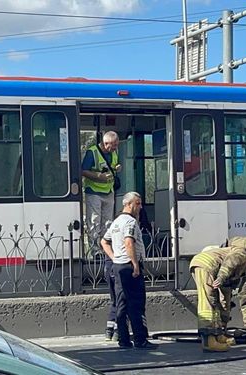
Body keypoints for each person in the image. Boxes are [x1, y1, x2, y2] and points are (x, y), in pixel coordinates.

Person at [100, 192, 157, 350]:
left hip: (118, 266)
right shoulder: (131, 222)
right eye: (137, 203)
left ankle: (123, 340)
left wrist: (114, 256)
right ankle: (140, 339)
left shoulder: (116, 222)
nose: (140, 207)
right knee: (136, 303)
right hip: (129, 266)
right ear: (128, 204)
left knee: (121, 303)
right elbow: (129, 243)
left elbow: (104, 241)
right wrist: (135, 264)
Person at [82, 131, 121, 338]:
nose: (111, 149)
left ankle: (106, 249)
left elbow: (114, 166)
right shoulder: (92, 152)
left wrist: (115, 169)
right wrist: (98, 176)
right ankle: (95, 250)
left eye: (114, 146)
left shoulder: (114, 153)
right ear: (103, 142)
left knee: (108, 223)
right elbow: (83, 171)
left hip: (108, 191)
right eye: (108, 145)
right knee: (94, 223)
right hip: (94, 191)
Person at [190, 245, 246, 352]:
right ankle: (209, 341)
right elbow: (230, 262)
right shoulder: (242, 255)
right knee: (208, 301)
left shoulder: (237, 271)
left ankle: (217, 335)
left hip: (209, 267)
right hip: (206, 265)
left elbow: (225, 297)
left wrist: (224, 321)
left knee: (215, 301)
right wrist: (222, 276)